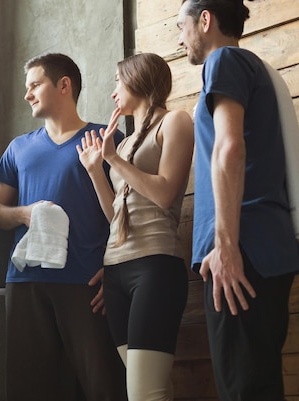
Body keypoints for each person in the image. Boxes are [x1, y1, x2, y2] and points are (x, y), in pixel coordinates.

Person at [176, 0, 299, 399]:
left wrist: (225, 245)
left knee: (244, 390)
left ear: (205, 21)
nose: (180, 38)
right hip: (262, 251)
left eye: (183, 27)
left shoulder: (224, 60)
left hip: (240, 251)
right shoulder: (253, 68)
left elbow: (230, 146)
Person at [0, 53, 127, 401]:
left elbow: (127, 214)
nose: (27, 94)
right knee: (28, 389)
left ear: (64, 85)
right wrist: (25, 214)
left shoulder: (107, 138)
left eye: (34, 85)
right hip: (25, 284)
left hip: (87, 283)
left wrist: (117, 271)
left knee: (104, 386)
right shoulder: (18, 148)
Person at [77, 52, 194, 400]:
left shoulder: (175, 122)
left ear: (138, 78)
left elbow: (165, 193)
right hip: (116, 271)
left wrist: (112, 159)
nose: (113, 91)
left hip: (155, 265)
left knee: (145, 392)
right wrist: (97, 171)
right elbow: (117, 215)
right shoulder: (125, 142)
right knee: (149, 388)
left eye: (118, 80)